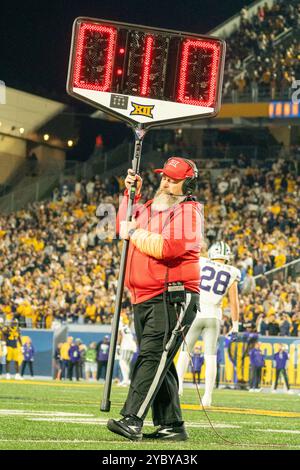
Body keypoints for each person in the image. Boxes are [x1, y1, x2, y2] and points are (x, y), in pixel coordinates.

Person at [107, 157, 202, 441]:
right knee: (161, 360)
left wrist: (133, 231)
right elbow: (122, 226)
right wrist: (130, 194)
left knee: (152, 356)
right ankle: (171, 425)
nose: (166, 182)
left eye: (173, 179)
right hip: (145, 296)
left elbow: (165, 248)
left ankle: (132, 418)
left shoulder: (189, 212)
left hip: (172, 294)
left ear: (188, 184)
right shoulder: (149, 207)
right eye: (164, 177)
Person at [176, 241, 240, 407]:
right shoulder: (232, 272)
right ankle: (207, 397)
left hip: (196, 311)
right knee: (210, 356)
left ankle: (178, 386)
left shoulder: (202, 261)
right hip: (214, 317)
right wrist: (236, 325)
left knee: (185, 351)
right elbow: (234, 302)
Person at [118, 315, 137, 387]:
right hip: (132, 347)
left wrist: (118, 346)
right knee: (126, 363)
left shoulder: (121, 326)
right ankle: (127, 380)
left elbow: (120, 336)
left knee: (122, 362)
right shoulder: (127, 327)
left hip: (126, 346)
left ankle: (125, 380)